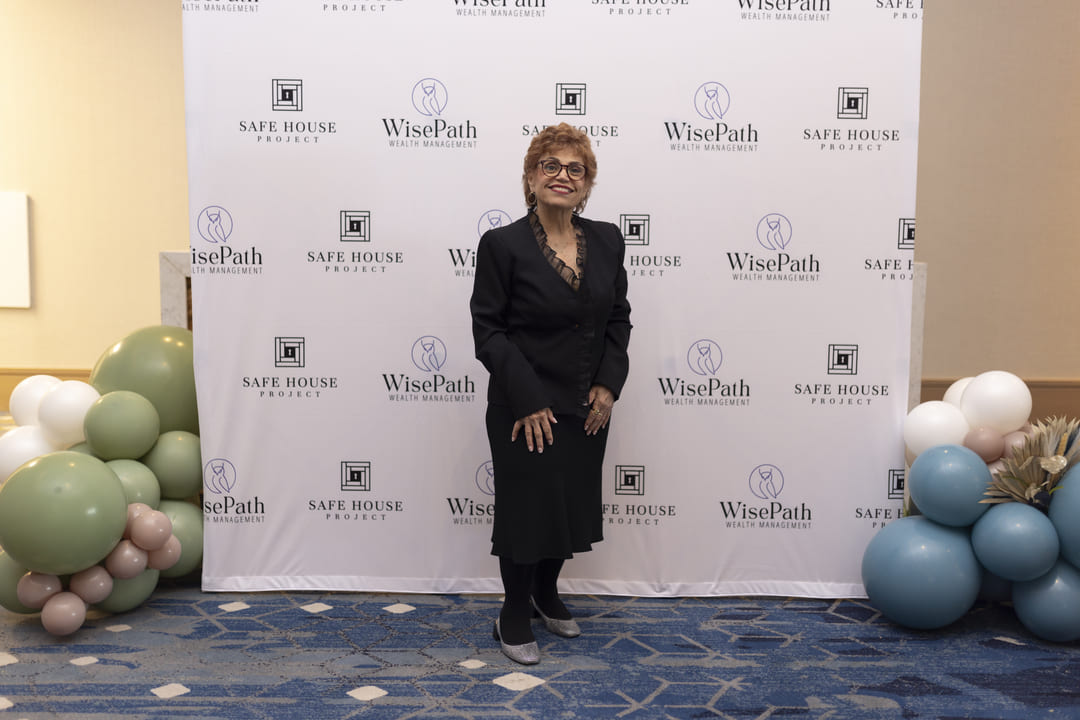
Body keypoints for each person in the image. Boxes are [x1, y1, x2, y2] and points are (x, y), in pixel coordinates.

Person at [470, 123, 632, 664]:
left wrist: (609, 384)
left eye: (575, 169)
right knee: (527, 512)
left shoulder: (608, 239)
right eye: (551, 166)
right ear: (531, 177)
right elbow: (489, 331)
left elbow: (618, 318)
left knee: (568, 507)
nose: (563, 176)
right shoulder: (502, 245)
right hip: (524, 407)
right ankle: (514, 611)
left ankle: (545, 591)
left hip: (587, 405)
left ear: (587, 184)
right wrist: (529, 398)